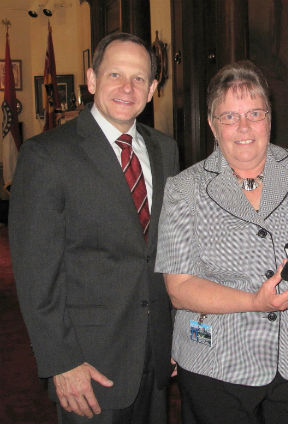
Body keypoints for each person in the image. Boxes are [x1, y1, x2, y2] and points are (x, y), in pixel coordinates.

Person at [155, 60, 288, 424]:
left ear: (270, 119)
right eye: (229, 116)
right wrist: (254, 302)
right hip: (217, 368)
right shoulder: (184, 188)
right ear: (212, 125)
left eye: (255, 113)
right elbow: (180, 288)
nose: (243, 127)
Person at [9, 32, 179, 424]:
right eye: (114, 74)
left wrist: (171, 335)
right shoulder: (47, 155)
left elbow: (165, 252)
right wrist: (61, 362)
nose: (126, 87)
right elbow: (36, 275)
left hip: (154, 355)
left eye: (139, 78)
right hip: (89, 364)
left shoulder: (165, 150)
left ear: (153, 89)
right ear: (91, 79)